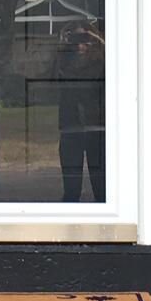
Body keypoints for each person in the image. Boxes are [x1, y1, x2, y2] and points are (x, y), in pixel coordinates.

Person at [55, 24, 106, 202]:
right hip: (71, 127)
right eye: (76, 40)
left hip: (96, 127)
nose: (80, 45)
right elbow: (53, 78)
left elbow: (116, 62)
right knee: (71, 189)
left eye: (85, 40)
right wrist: (61, 47)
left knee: (102, 189)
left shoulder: (100, 62)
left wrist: (100, 40)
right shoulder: (65, 63)